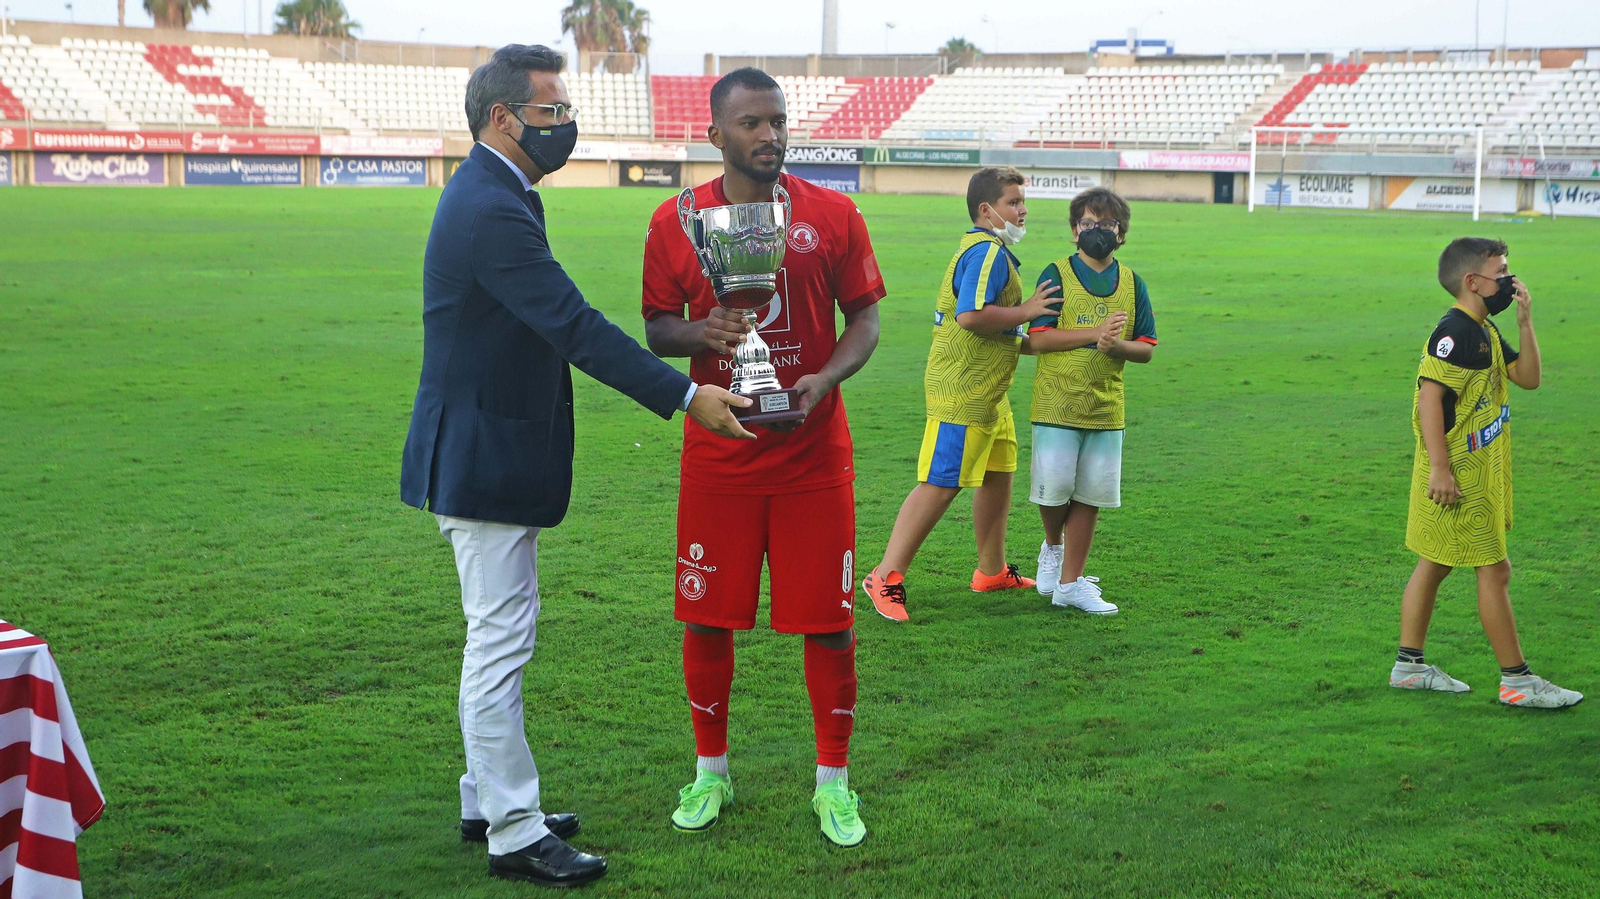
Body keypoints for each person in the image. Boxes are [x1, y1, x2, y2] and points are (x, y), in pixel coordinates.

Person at [399, 44, 753, 887]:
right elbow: (573, 325)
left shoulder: (499, 191)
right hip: (480, 454)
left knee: (501, 633)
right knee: (499, 639)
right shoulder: (490, 206)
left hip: (485, 446)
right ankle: (513, 829)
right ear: (502, 118)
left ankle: (489, 797)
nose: (567, 125)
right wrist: (683, 395)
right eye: (553, 112)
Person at [640, 67, 886, 847]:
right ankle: (711, 771)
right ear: (717, 135)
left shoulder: (832, 214)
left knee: (830, 623)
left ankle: (834, 783)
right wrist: (701, 332)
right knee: (707, 617)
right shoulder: (674, 221)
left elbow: (866, 322)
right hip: (721, 456)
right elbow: (656, 328)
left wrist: (824, 378)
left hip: (814, 455)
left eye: (777, 120)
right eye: (751, 123)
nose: (770, 134)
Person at [860, 167, 1060, 623]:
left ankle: (991, 571)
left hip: (989, 390)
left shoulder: (994, 251)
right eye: (1013, 202)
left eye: (1022, 201)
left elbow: (1003, 329)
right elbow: (971, 316)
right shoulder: (986, 250)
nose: (1023, 209)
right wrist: (1028, 311)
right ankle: (884, 574)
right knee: (942, 481)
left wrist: (1062, 336)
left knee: (998, 471)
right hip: (963, 391)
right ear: (986, 210)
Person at [1390, 237, 1581, 709]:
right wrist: (1439, 468)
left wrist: (1525, 320)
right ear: (1472, 281)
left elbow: (1528, 378)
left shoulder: (1485, 330)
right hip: (1457, 476)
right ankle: (1517, 680)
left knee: (1435, 562)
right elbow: (1428, 398)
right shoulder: (1454, 333)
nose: (1510, 280)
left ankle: (1408, 666)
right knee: (1495, 570)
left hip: (1470, 473)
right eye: (1502, 273)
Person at [1025, 187, 1157, 615]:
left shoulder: (1134, 283)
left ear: (1121, 234)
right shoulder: (1056, 274)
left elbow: (1147, 347)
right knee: (1055, 491)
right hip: (1056, 405)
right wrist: (1096, 335)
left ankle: (1071, 582)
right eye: (1087, 223)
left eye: (1105, 225)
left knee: (1089, 495)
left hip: (1105, 408)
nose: (1095, 231)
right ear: (1073, 231)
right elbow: (1040, 339)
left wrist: (1117, 347)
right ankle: (1052, 547)